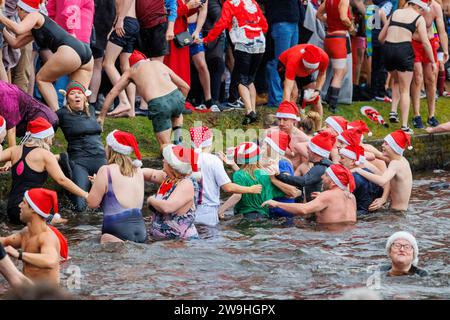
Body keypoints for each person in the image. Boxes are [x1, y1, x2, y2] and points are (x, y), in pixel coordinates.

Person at [0, 0, 94, 111]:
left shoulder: (35, 15)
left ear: (21, 9)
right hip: (85, 54)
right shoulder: (35, 27)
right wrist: (2, 29)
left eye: (17, 11)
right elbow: (15, 43)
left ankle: (58, 114)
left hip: (70, 51)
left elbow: (18, 29)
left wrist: (1, 17)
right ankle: (82, 124)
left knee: (42, 79)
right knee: (77, 100)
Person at [0, 117, 88, 224]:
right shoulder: (45, 155)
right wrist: (86, 195)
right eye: (51, 138)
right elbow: (62, 180)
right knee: (65, 223)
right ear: (45, 138)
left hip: (13, 208)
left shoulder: (14, 150)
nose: (51, 142)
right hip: (31, 210)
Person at [98, 50, 190, 148]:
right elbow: (185, 87)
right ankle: (179, 144)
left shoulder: (131, 71)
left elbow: (113, 92)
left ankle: (171, 157)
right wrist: (180, 103)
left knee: (165, 146)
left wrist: (101, 116)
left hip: (159, 103)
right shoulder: (158, 64)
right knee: (176, 115)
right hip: (176, 96)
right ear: (145, 59)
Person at [200, 0, 268, 125]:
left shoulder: (230, 4)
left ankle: (249, 111)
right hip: (260, 43)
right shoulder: (252, 2)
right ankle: (253, 110)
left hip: (243, 42)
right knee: (250, 79)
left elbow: (222, 24)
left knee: (240, 80)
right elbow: (264, 25)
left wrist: (207, 39)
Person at [378, 0, 436, 134]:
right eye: (421, 9)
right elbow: (426, 43)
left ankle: (393, 111)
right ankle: (404, 126)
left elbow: (381, 37)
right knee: (405, 90)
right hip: (404, 50)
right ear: (415, 5)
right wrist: (432, 62)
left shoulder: (395, 12)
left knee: (397, 81)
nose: (422, 12)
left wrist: (390, 47)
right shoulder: (418, 18)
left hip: (388, 49)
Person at [189, 126, 263, 227]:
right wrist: (250, 189)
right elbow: (227, 187)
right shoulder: (213, 160)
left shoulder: (185, 158)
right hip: (207, 211)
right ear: (210, 142)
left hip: (187, 210)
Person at [86, 130, 147, 243]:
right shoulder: (138, 171)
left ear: (110, 148)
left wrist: (95, 185)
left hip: (116, 231)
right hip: (141, 230)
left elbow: (92, 203)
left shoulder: (106, 170)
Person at [0, 188, 68, 285]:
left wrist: (19, 254)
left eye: (23, 202)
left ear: (33, 209)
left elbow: (51, 260)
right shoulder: (26, 232)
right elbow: (5, 241)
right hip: (28, 290)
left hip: (47, 294)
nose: (19, 205)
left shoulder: (47, 237)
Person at [56, 81, 107, 212]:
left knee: (110, 203)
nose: (77, 96)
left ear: (85, 97)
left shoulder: (90, 110)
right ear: (67, 98)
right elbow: (47, 132)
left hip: (100, 159)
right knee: (79, 206)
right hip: (79, 161)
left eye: (79, 93)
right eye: (72, 93)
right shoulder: (61, 114)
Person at [262, 164, 357, 224]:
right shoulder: (351, 196)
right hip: (347, 236)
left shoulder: (327, 196)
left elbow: (304, 210)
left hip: (329, 238)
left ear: (333, 182)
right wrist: (323, 198)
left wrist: (277, 204)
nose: (322, 177)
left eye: (327, 175)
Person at [218, 142, 290, 221]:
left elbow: (237, 195)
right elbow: (287, 194)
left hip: (244, 217)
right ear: (258, 157)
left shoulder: (238, 174)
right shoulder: (267, 174)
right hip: (264, 217)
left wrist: (220, 211)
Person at [147, 144, 201, 240]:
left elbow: (167, 207)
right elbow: (151, 174)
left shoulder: (186, 183)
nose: (163, 160)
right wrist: (132, 171)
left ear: (173, 165)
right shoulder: (169, 178)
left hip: (181, 243)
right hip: (166, 241)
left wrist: (150, 200)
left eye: (166, 159)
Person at [410, 0, 449, 129]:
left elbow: (442, 31)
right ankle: (416, 115)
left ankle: (431, 116)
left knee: (431, 78)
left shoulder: (435, 7)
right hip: (414, 43)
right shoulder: (413, 4)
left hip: (430, 43)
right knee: (417, 78)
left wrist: (445, 50)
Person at [352, 130, 413, 211]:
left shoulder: (395, 164)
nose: (382, 145)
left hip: (397, 213)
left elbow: (382, 181)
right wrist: (359, 146)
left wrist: (358, 170)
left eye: (386, 143)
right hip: (398, 211)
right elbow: (379, 155)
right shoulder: (402, 160)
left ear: (394, 147)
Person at [102, 0, 140, 118]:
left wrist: (120, 20)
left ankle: (124, 101)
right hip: (132, 23)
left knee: (108, 63)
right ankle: (131, 109)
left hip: (126, 22)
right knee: (125, 67)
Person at [273, 131, 335, 202]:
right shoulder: (322, 165)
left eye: (309, 149)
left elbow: (303, 181)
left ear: (316, 152)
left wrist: (279, 175)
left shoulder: (321, 168)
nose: (307, 151)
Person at [317, 0, 354, 113]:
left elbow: (318, 14)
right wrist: (351, 27)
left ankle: (328, 97)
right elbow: (343, 17)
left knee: (342, 70)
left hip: (329, 38)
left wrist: (328, 22)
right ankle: (332, 105)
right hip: (339, 38)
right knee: (338, 73)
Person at [0, 80, 58, 149]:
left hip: (42, 118)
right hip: (26, 118)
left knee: (28, 153)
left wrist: (12, 157)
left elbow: (11, 131)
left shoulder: (5, 95)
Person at [277, 44, 329, 119]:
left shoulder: (324, 58)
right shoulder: (294, 60)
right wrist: (285, 110)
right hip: (285, 65)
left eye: (312, 69)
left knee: (315, 96)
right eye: (308, 68)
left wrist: (318, 90)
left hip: (300, 70)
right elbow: (287, 90)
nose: (310, 71)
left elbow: (322, 75)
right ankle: (289, 120)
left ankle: (318, 125)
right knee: (293, 93)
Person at [265, 0, 300, 107]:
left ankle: (287, 97)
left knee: (291, 61)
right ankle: (277, 99)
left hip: (293, 20)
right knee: (279, 62)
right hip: (281, 20)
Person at [188, 1, 220, 112]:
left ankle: (208, 99)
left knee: (201, 63)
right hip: (178, 25)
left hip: (193, 26)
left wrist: (197, 31)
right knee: (180, 63)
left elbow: (203, 10)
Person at [338, 141, 383, 215]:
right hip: (373, 215)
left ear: (353, 161)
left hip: (359, 216)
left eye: (342, 158)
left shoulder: (353, 178)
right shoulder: (370, 173)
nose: (339, 161)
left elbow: (340, 200)